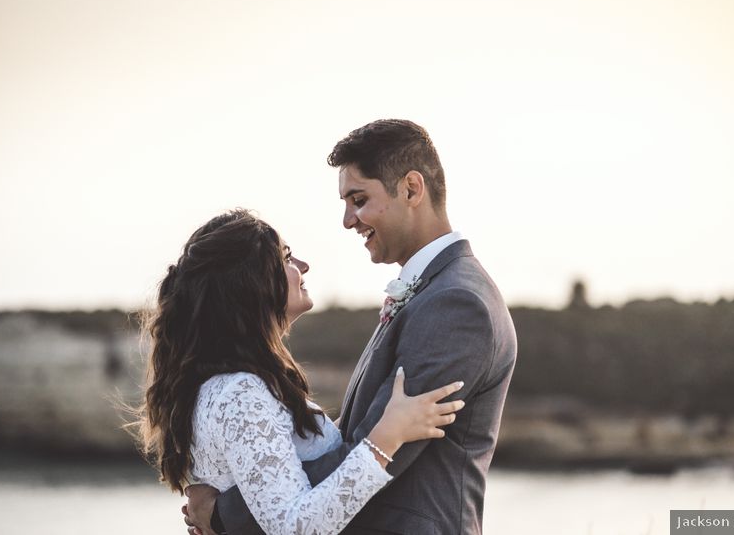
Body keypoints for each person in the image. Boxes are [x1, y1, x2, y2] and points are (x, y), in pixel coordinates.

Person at [186, 120, 518, 534]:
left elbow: (374, 449)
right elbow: (362, 442)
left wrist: (223, 512)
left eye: (359, 199)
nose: (348, 220)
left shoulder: (457, 306)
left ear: (412, 189)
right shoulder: (430, 293)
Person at [136, 209, 466, 535]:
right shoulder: (241, 393)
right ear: (251, 283)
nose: (303, 266)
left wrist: (222, 515)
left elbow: (286, 473)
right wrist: (387, 438)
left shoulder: (222, 388)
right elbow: (293, 529)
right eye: (287, 258)